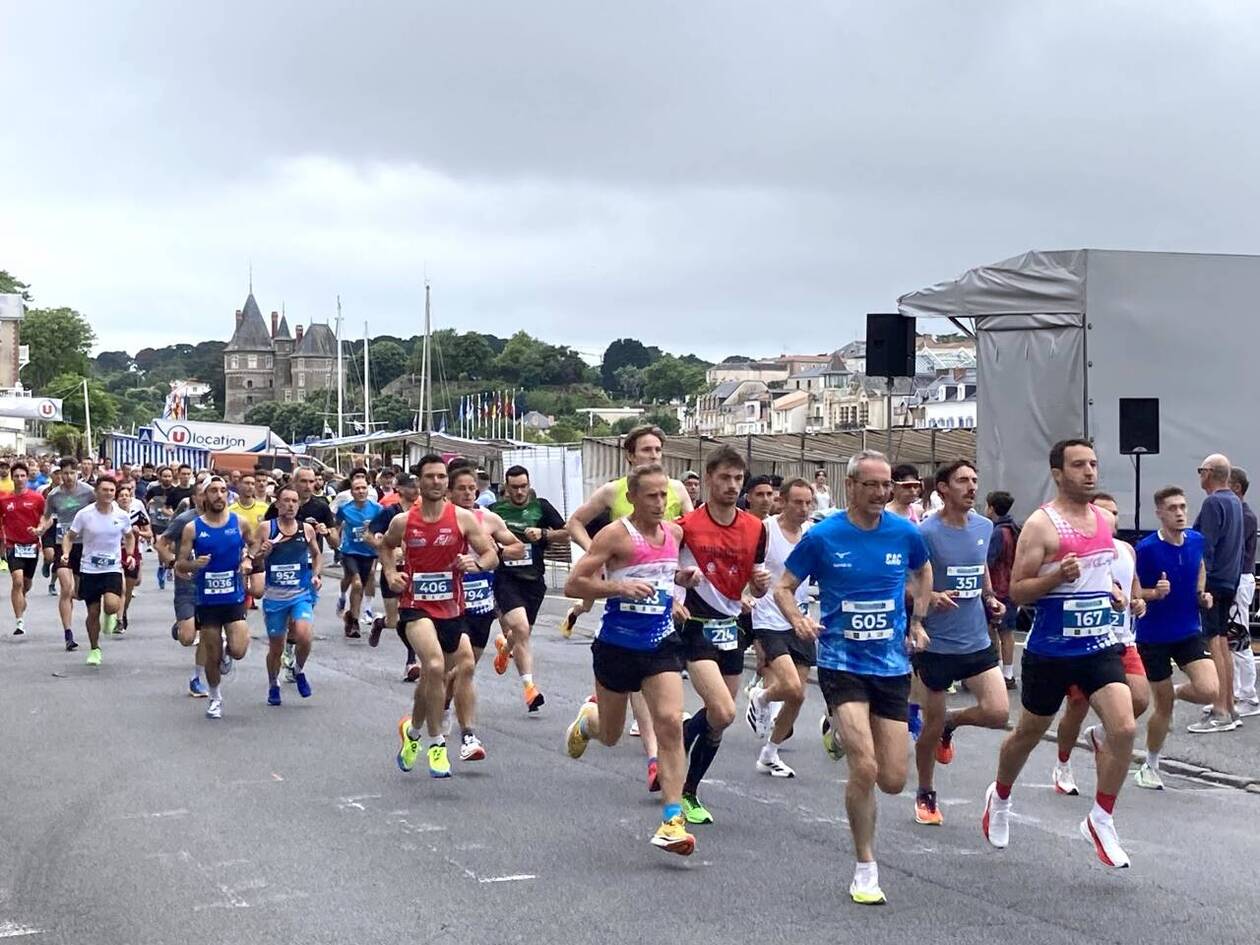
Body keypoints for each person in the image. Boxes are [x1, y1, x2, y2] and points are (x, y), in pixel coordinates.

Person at [773, 448, 931, 905]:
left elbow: (923, 569)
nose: (882, 493)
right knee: (865, 766)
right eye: (872, 485)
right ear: (851, 487)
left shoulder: (905, 532)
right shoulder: (824, 536)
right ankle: (865, 866)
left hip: (892, 666)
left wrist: (917, 620)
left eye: (887, 486)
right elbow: (784, 587)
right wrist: (799, 619)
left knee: (894, 779)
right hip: (842, 664)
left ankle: (841, 734)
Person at [980, 439, 1135, 869]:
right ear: (1057, 473)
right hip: (1051, 650)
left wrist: (1116, 594)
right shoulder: (1041, 525)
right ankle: (1001, 797)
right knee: (1028, 735)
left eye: (1093, 464)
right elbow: (1017, 591)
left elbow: (1102, 575)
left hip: (1099, 645)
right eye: (1079, 465)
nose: (1089, 471)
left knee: (1123, 728)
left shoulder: (1103, 521)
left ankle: (1101, 818)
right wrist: (1054, 577)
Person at [563, 462, 702, 856]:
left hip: (659, 643)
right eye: (653, 496)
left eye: (665, 496)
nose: (661, 503)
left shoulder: (673, 534)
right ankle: (586, 724)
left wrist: (680, 582)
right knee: (610, 734)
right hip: (616, 645)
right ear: (633, 498)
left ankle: (672, 820)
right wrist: (618, 586)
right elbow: (576, 581)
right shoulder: (614, 535)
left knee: (671, 724)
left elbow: (661, 576)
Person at [385, 455, 497, 779]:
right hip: (415, 607)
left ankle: (414, 733)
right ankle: (437, 744)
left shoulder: (463, 519)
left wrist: (477, 563)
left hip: (451, 609)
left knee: (436, 677)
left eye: (440, 477)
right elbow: (386, 547)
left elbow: (490, 554)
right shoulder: (404, 521)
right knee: (433, 666)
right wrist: (392, 573)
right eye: (429, 477)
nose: (436, 482)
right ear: (418, 482)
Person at [675, 447, 770, 826]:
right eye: (725, 478)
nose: (732, 486)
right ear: (709, 478)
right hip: (696, 627)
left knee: (719, 718)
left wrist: (758, 588)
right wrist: (675, 596)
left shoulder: (755, 528)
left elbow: (756, 584)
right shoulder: (685, 526)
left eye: (738, 479)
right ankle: (684, 789)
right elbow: (666, 571)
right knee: (725, 709)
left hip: (731, 628)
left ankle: (688, 783)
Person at [911, 460, 1009, 826]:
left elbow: (978, 564)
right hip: (936, 645)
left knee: (998, 713)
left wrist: (989, 597)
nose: (971, 487)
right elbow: (906, 580)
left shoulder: (985, 527)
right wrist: (931, 596)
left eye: (974, 480)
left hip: (976, 639)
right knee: (928, 728)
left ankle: (953, 721)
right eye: (962, 481)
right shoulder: (925, 532)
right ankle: (925, 791)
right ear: (942, 488)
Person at [1051, 493, 1149, 797]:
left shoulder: (1127, 550)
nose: (1110, 518)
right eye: (1104, 512)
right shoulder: (1081, 551)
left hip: (1122, 639)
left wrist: (1138, 601)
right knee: (1077, 707)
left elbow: (1134, 587)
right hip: (1089, 641)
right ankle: (1063, 763)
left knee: (1141, 699)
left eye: (1115, 512)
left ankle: (1100, 734)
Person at [1131, 486, 1219, 788]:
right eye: (1173, 508)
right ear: (1159, 513)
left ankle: (1177, 692)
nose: (1180, 513)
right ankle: (1149, 766)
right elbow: (1134, 591)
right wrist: (1154, 593)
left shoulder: (1196, 540)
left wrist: (1200, 594)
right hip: (1153, 636)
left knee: (1210, 689)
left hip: (1187, 630)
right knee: (1163, 708)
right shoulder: (1145, 549)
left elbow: (1200, 567)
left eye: (1183, 507)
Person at [448, 464, 526, 760]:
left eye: (472, 488)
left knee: (459, 673)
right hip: (451, 606)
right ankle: (468, 736)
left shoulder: (488, 518)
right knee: (465, 665)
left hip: (481, 605)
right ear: (450, 491)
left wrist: (493, 553)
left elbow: (517, 548)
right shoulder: (442, 520)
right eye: (462, 488)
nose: (469, 493)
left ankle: (437, 711)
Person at [745, 477, 816, 778]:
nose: (803, 508)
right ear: (782, 501)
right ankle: (759, 698)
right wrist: (748, 589)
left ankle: (769, 754)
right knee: (790, 686)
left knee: (797, 696)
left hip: (800, 619)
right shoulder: (765, 530)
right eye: (797, 502)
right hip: (768, 617)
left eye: (808, 503)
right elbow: (746, 564)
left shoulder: (812, 535)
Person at [487, 465, 568, 711]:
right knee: (520, 627)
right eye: (515, 488)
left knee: (522, 633)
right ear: (506, 488)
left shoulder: (540, 506)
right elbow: (481, 535)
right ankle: (530, 689)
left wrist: (544, 534)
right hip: (506, 578)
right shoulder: (494, 511)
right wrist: (497, 547)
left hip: (534, 580)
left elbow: (566, 532)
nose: (520, 492)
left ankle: (505, 647)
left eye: (524, 486)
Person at [175, 477, 254, 720]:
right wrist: (193, 564)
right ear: (204, 497)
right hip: (207, 600)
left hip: (233, 596)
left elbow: (253, 546)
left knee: (239, 650)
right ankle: (215, 697)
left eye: (222, 491)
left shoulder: (239, 523)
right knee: (211, 653)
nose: (219, 495)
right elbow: (180, 565)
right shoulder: (193, 528)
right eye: (213, 491)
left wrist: (248, 559)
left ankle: (229, 653)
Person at [250, 485, 320, 706]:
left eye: (294, 501)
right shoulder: (265, 528)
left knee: (304, 635)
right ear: (278, 503)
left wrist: (316, 575)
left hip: (300, 594)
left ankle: (298, 670)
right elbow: (252, 561)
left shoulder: (306, 529)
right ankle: (273, 683)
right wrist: (263, 553)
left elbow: (317, 555)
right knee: (276, 647)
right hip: (275, 597)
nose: (290, 505)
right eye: (286, 501)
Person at [1190, 453, 1244, 732]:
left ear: (1210, 473)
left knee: (1213, 642)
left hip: (1212, 580)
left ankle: (1221, 710)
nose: (1199, 475)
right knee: (1222, 641)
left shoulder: (1213, 502)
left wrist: (1199, 584)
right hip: (1229, 579)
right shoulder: (1235, 502)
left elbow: (1205, 545)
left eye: (1201, 470)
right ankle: (1230, 706)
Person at [64, 477, 136, 667]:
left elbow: (129, 536)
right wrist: (65, 553)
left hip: (112, 567)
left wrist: (129, 555)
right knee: (92, 611)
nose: (108, 494)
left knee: (112, 604)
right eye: (104, 490)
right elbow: (69, 536)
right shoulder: (84, 514)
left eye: (112, 490)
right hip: (89, 568)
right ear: (96, 492)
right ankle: (95, 648)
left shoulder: (121, 516)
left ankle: (110, 615)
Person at [158, 482, 211, 697]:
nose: (205, 499)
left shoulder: (225, 520)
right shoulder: (184, 520)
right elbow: (161, 543)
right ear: (195, 498)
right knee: (187, 639)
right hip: (187, 585)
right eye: (201, 495)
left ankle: (197, 678)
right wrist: (173, 564)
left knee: (209, 634)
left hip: (213, 587)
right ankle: (182, 626)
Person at [38, 459, 96, 651]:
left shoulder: (88, 492)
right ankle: (68, 633)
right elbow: (47, 517)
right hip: (63, 545)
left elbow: (99, 511)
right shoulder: (54, 495)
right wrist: (40, 529)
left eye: (72, 473)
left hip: (84, 545)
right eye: (65, 473)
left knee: (77, 592)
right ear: (59, 474)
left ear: (77, 473)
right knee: (65, 588)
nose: (68, 477)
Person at [367, 474, 422, 678]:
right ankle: (380, 623)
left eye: (417, 486)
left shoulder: (421, 512)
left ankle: (411, 661)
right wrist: (386, 548)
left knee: (411, 618)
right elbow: (369, 534)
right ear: (400, 489)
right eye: (411, 486)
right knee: (393, 621)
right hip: (392, 571)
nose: (416, 490)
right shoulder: (390, 512)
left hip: (414, 572)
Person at [1226, 467, 1259, 716]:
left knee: (1239, 636)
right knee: (1231, 638)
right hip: (1235, 578)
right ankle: (1235, 692)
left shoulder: (1245, 516)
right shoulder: (1240, 513)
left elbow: (1236, 552)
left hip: (1240, 579)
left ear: (1236, 486)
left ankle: (1249, 696)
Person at [0, 461, 45, 636]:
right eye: (16, 476)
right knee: (17, 581)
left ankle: (21, 597)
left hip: (31, 545)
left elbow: (45, 516)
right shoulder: (4, 500)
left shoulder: (37, 498)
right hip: (12, 544)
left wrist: (40, 528)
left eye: (22, 476)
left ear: (27, 478)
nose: (19, 479)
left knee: (26, 584)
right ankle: (20, 621)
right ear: (12, 478)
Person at [335, 473, 382, 638]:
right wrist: (336, 540)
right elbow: (336, 525)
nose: (361, 491)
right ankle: (355, 622)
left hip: (368, 553)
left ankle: (351, 616)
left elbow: (382, 530)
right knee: (356, 583)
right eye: (357, 488)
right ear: (352, 492)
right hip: (349, 552)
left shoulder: (377, 509)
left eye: (364, 488)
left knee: (360, 586)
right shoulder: (345, 509)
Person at [985, 490, 1021, 689]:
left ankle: (1002, 673)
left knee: (996, 630)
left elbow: (989, 561)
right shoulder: (1014, 528)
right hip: (1011, 585)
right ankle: (1005, 673)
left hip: (999, 588)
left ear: (992, 508)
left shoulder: (998, 532)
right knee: (1006, 632)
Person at [115, 480, 152, 632]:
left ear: (131, 498)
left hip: (133, 553)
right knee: (121, 588)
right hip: (116, 554)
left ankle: (123, 612)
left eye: (127, 495)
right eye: (121, 495)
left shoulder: (137, 514)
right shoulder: (112, 514)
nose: (124, 498)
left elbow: (149, 534)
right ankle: (118, 619)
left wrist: (139, 532)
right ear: (116, 499)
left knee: (130, 587)